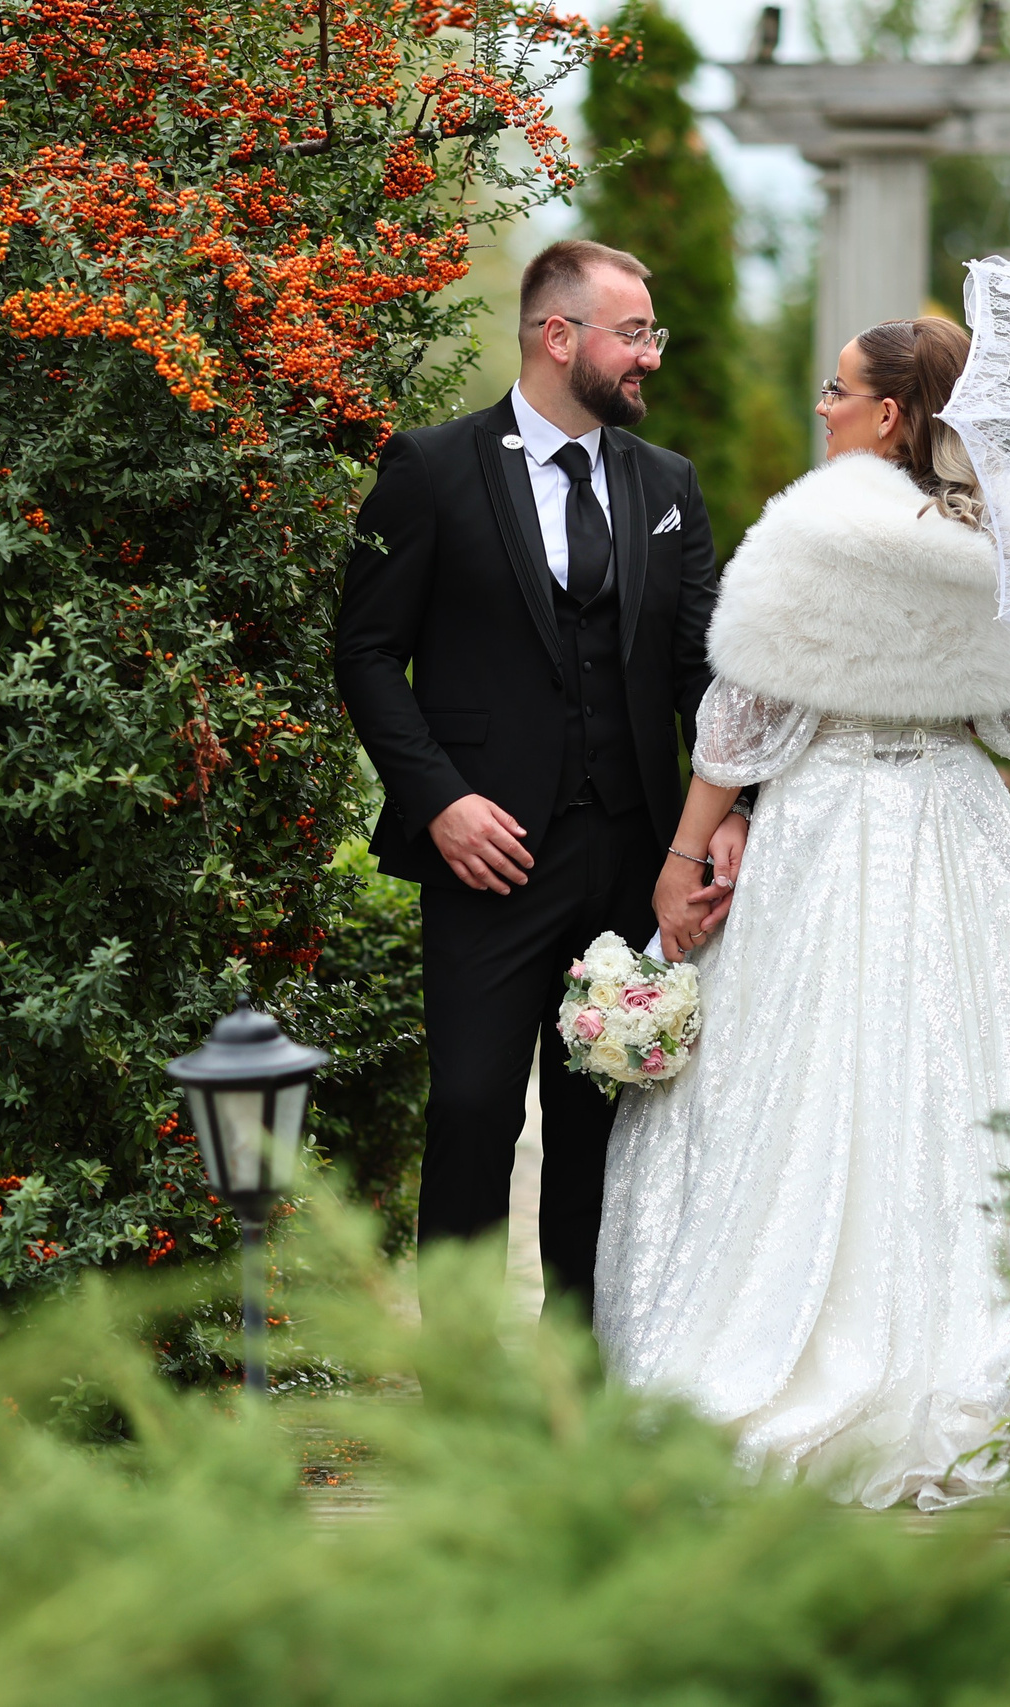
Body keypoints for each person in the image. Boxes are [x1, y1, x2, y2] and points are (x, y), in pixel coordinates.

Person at [593, 316, 1010, 1510]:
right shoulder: (999, 542)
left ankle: (785, 1354)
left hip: (830, 831)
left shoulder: (821, 529)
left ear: (892, 415)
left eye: (836, 391)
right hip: (955, 833)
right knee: (977, 1075)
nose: (820, 407)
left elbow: (743, 724)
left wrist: (685, 852)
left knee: (805, 1084)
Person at [335, 239, 745, 1308]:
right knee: (472, 1109)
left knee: (600, 1119)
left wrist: (728, 808)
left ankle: (581, 1374)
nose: (651, 355)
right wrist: (438, 800)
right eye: (635, 333)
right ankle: (465, 1395)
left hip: (631, 854)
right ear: (558, 336)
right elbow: (365, 651)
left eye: (654, 332)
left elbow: (700, 669)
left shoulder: (668, 485)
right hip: (488, 857)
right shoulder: (429, 468)